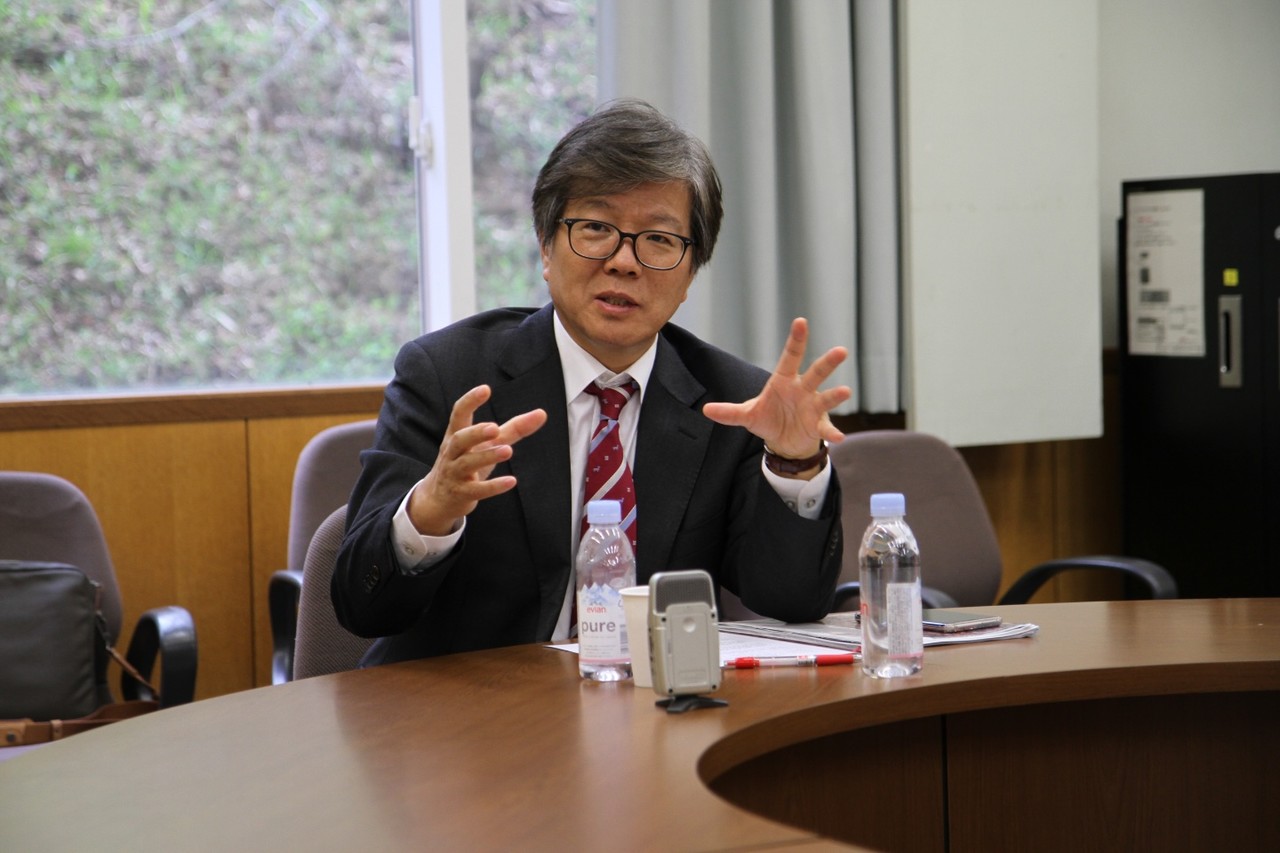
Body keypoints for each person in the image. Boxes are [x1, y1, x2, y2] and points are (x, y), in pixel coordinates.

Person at [332, 99, 851, 666]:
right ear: (545, 246)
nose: (624, 261)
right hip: (469, 706)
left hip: (646, 703)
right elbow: (362, 607)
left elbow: (791, 600)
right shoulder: (448, 376)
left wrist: (796, 462)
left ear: (690, 276)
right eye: (597, 228)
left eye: (659, 239)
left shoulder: (733, 403)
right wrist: (431, 510)